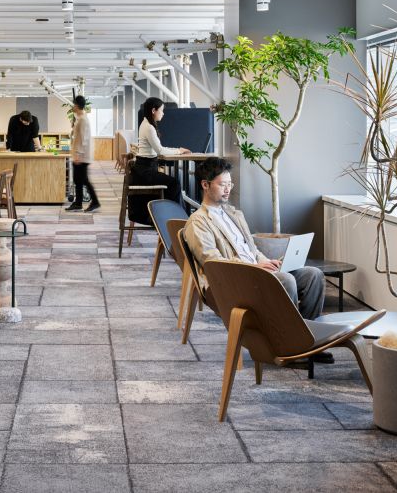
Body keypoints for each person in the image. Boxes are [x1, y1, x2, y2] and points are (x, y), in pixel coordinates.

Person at [183, 157, 332, 363]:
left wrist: (268, 262)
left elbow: (252, 249)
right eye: (222, 184)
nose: (228, 189)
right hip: (234, 280)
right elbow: (213, 263)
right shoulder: (198, 222)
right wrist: (253, 266)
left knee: (313, 275)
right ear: (205, 185)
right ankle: (288, 347)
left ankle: (307, 342)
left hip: (255, 270)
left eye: (230, 184)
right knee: (286, 280)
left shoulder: (234, 214)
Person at [129, 97, 190, 225]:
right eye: (161, 110)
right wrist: (179, 151)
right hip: (145, 172)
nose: (163, 113)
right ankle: (180, 220)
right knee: (174, 184)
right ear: (153, 110)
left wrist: (178, 150)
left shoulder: (146, 124)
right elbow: (160, 151)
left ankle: (178, 217)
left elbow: (159, 148)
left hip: (143, 169)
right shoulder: (149, 127)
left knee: (173, 183)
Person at [65, 95, 100, 212]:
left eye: (73, 104)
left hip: (82, 156)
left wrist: (78, 155)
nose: (72, 106)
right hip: (80, 155)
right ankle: (78, 203)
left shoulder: (83, 120)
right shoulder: (80, 118)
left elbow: (83, 139)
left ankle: (94, 202)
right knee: (78, 179)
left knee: (83, 179)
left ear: (76, 105)